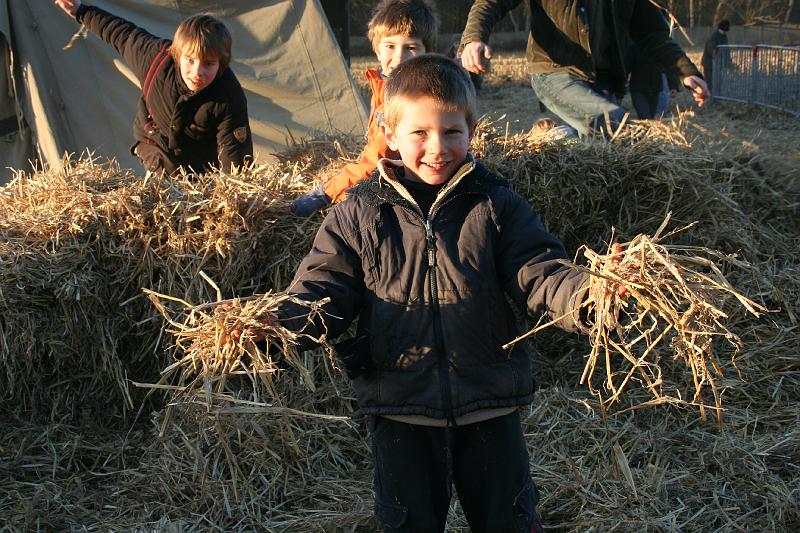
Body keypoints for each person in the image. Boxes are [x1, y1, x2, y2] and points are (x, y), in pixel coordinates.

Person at [247, 54, 629, 531]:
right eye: (420, 133)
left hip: (488, 403)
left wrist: (594, 295)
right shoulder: (357, 215)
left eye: (452, 132)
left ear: (472, 129)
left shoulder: (496, 205)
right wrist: (277, 325)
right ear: (389, 134)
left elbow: (540, 271)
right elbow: (324, 289)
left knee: (507, 521)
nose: (437, 148)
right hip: (401, 405)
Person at [54, 0, 253, 175]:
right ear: (177, 54)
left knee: (198, 195)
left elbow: (235, 157)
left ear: (222, 63)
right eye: (190, 60)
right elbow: (119, 33)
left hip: (199, 161)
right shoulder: (153, 58)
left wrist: (237, 201)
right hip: (154, 139)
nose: (197, 72)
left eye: (208, 64)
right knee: (171, 180)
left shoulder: (229, 97)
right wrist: (80, 11)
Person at [459, 0, 710, 137]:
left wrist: (685, 71)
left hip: (605, 82)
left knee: (598, 152)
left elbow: (652, 35)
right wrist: (474, 38)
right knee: (619, 126)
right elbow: (490, 3)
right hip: (555, 72)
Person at [290, 0, 438, 217]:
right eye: (390, 46)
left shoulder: (406, 99)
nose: (399, 57)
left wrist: (326, 193)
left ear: (427, 51)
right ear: (377, 49)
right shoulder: (385, 86)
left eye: (411, 47)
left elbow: (376, 162)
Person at [628, 46, 680, 119]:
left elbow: (668, 68)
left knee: (653, 118)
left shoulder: (658, 46)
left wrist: (673, 85)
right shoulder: (633, 45)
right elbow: (625, 66)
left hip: (655, 89)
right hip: (638, 89)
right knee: (644, 117)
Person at [701, 19, 731, 95]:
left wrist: (727, 60)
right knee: (710, 82)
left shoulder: (724, 36)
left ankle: (716, 96)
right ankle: (710, 97)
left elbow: (725, 49)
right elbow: (712, 51)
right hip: (709, 64)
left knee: (717, 82)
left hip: (718, 64)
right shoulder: (714, 37)